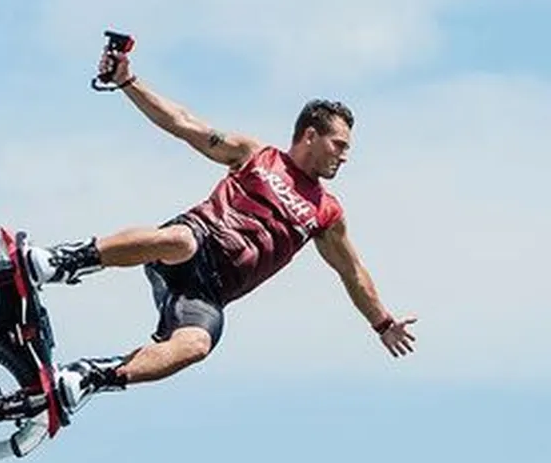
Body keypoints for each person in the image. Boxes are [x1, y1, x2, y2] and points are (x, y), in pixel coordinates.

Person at [27, 48, 417, 413]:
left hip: (209, 292)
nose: (344, 156)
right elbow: (184, 124)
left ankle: (87, 377)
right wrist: (128, 82)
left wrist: (382, 323)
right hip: (194, 245)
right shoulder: (255, 155)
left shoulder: (326, 212)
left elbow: (352, 272)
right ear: (310, 136)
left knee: (197, 345)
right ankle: (62, 262)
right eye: (339, 145)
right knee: (180, 240)